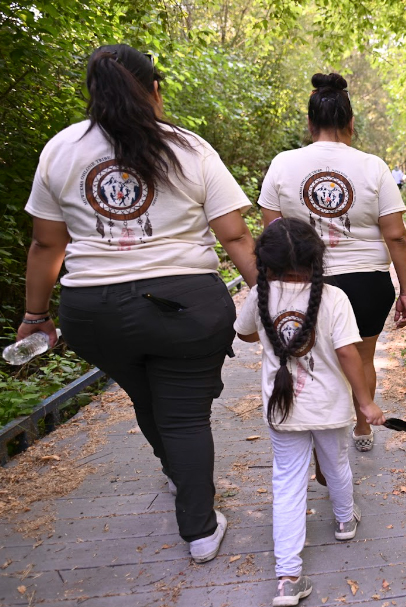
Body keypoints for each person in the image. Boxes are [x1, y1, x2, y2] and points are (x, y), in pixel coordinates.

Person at [17, 44, 257, 563]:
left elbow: (47, 245)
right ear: (154, 90)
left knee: (147, 398)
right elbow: (235, 237)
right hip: (186, 306)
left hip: (95, 311)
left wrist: (35, 315)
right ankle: (198, 530)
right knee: (185, 416)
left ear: (93, 93)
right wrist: (277, 295)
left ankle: (175, 474)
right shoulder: (189, 149)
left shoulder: (61, 150)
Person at [233, 218, 386, 606]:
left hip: (282, 409)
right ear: (317, 258)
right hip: (328, 406)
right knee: (336, 462)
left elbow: (246, 332)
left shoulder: (258, 295)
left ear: (264, 262)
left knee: (286, 482)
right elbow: (349, 352)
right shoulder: (334, 298)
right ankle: (344, 521)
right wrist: (366, 403)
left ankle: (288, 576)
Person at [258, 72, 406, 454]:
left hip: (304, 283)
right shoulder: (374, 166)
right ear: (351, 122)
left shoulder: (282, 164)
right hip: (367, 283)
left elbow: (273, 234)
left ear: (310, 123)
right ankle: (362, 427)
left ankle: (318, 434)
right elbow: (395, 234)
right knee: (362, 357)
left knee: (313, 359)